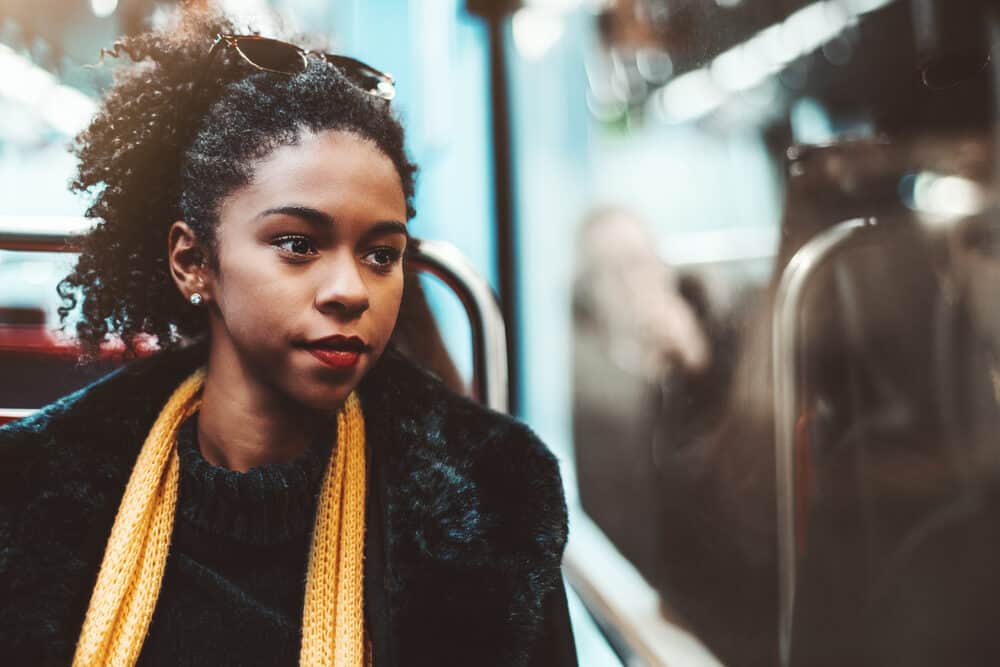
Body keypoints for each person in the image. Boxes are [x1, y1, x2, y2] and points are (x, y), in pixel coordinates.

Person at [0, 9, 576, 667]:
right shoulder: (32, 493)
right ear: (194, 262)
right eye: (298, 244)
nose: (350, 289)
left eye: (381, 254)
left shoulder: (493, 505)